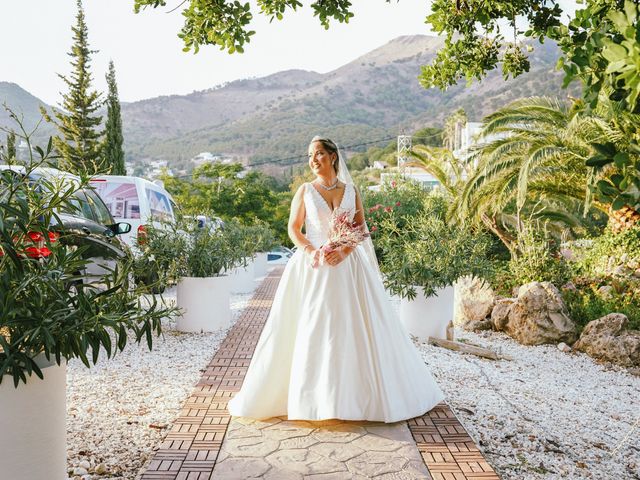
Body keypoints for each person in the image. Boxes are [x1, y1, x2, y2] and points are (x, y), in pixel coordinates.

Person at [227, 136, 444, 422]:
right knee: (314, 326)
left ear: (332, 156)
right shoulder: (305, 190)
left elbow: (360, 228)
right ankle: (313, 400)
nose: (313, 160)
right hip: (312, 267)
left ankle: (355, 398)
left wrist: (343, 251)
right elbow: (293, 228)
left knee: (351, 326)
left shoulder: (351, 190)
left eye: (318, 154)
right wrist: (310, 251)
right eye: (309, 155)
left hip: (348, 266)